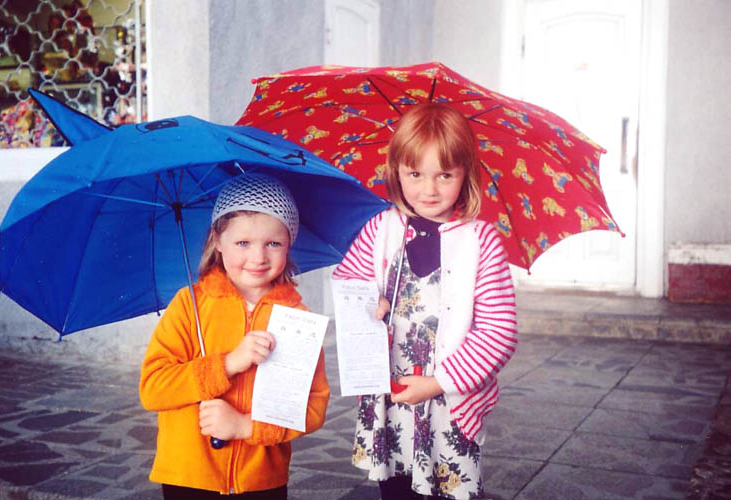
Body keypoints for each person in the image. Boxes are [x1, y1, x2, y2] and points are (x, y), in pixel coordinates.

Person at [333, 103, 517, 499]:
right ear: (396, 170)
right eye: (415, 174)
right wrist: (368, 303)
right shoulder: (381, 229)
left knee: (448, 490)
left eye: (444, 175)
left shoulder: (480, 242)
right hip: (391, 394)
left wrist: (437, 383)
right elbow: (348, 284)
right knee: (396, 489)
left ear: (466, 173)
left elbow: (498, 331)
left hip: (450, 399)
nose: (429, 189)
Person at [140, 173, 330, 499]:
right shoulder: (189, 305)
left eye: (273, 243)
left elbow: (312, 407)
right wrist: (227, 364)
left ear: (289, 244)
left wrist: (245, 426)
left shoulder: (297, 318)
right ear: (217, 240)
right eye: (243, 243)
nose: (258, 257)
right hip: (190, 477)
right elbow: (153, 389)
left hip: (261, 481)